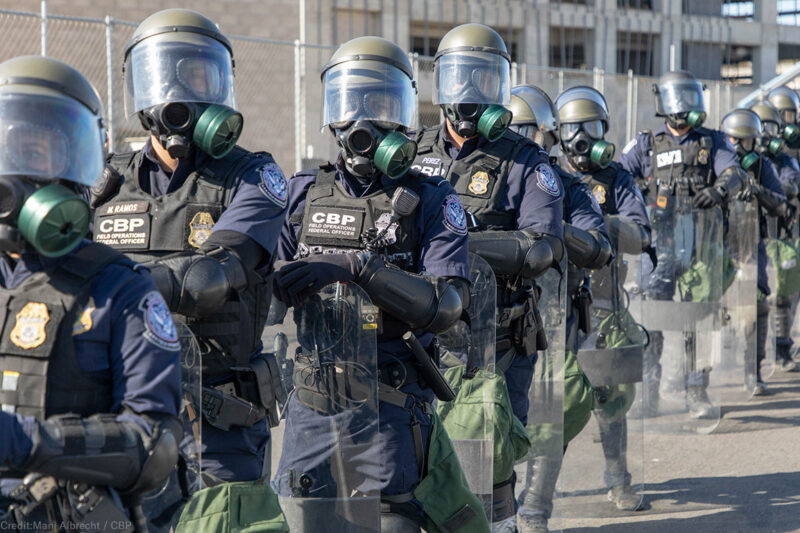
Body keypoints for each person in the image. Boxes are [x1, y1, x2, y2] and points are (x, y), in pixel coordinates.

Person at [273, 35, 489, 533]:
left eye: (380, 105)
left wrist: (360, 268)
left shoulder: (433, 198)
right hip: (312, 402)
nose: (362, 122)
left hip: (391, 400)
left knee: (390, 523)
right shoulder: (303, 193)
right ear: (332, 116)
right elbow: (264, 289)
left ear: (404, 115)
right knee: (303, 521)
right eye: (349, 105)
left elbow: (447, 305)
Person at [91, 8, 288, 490]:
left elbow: (209, 279)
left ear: (221, 86)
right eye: (165, 77)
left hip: (217, 426)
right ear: (141, 89)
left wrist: (109, 285)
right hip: (118, 414)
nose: (180, 94)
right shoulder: (104, 181)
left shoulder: (254, 175)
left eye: (198, 76)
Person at [0, 55, 182, 531]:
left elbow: (155, 444)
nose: (14, 173)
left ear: (74, 167)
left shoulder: (121, 288)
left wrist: (28, 443)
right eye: (6, 153)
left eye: (34, 153)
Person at [410, 25, 565, 532]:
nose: (469, 91)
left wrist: (451, 239)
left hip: (496, 340)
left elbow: (540, 247)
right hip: (420, 337)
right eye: (459, 77)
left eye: (483, 78)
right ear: (441, 83)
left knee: (489, 462)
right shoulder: (411, 151)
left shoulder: (526, 161)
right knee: (419, 461)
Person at [508, 85, 613, 533]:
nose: (519, 142)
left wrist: (553, 226)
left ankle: (535, 503)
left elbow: (598, 246)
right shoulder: (483, 180)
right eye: (513, 131)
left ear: (548, 137)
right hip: (482, 321)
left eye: (528, 133)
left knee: (553, 408)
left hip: (550, 321)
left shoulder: (563, 186)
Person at [619, 69, 747, 419]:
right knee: (651, 317)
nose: (685, 106)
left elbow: (734, 172)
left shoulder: (714, 141)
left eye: (691, 97)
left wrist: (719, 190)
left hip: (700, 242)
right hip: (657, 245)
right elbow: (620, 174)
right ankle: (649, 393)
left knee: (698, 319)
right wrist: (638, 193)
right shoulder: (646, 143)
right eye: (680, 98)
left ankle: (696, 391)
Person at [720, 109, 788, 395]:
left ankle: (753, 370)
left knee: (757, 300)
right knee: (703, 301)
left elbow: (781, 205)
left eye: (744, 141)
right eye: (733, 140)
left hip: (750, 243)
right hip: (715, 242)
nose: (737, 147)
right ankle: (692, 374)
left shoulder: (762, 166)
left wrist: (757, 190)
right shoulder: (715, 162)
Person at [750, 100, 800, 373]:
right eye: (761, 129)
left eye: (770, 128)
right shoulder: (747, 161)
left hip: (779, 237)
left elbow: (789, 188)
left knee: (782, 295)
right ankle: (751, 363)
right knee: (753, 300)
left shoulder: (785, 161)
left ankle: (782, 348)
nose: (765, 136)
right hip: (748, 238)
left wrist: (762, 186)